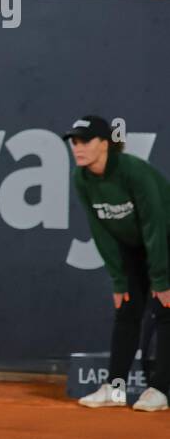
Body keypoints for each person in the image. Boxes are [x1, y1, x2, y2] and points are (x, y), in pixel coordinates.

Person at [70, 116, 170, 412]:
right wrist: (119, 280)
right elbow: (100, 230)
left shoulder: (132, 172)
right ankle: (114, 390)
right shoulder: (81, 178)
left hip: (165, 236)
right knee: (127, 308)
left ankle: (160, 391)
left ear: (104, 144)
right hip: (133, 244)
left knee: (166, 309)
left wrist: (162, 280)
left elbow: (154, 224)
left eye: (84, 141)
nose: (78, 148)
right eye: (74, 142)